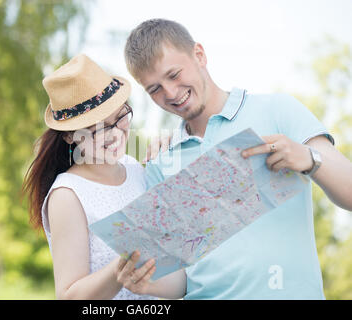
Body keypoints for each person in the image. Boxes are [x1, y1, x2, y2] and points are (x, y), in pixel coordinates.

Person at [117, 18, 352, 299]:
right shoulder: (160, 162)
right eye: (154, 89)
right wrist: (148, 283)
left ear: (199, 55)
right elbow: (182, 278)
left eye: (174, 74)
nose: (170, 93)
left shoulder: (278, 111)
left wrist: (310, 159)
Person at [21, 54, 169, 299]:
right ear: (69, 136)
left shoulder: (136, 169)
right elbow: (69, 296)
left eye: (120, 118)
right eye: (97, 128)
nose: (114, 135)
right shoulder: (67, 195)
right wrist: (123, 264)